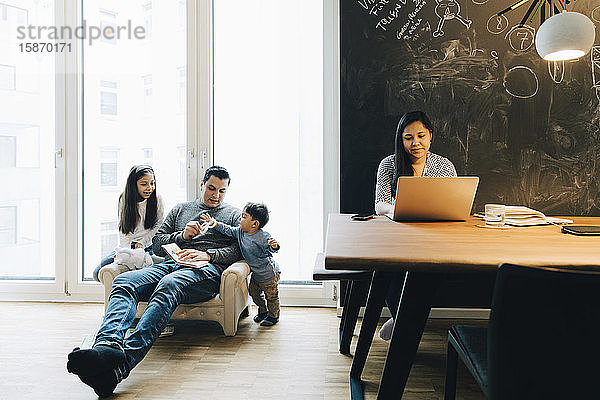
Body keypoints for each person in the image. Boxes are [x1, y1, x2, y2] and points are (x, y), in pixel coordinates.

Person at [67, 166, 242, 398]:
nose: (216, 195)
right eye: (211, 188)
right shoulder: (182, 209)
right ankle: (106, 347)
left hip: (206, 271)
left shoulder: (232, 214)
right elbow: (158, 242)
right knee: (125, 282)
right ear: (202, 184)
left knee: (168, 285)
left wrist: (209, 254)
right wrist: (183, 236)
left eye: (222, 191)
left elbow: (240, 250)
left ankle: (123, 363)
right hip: (171, 264)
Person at [374, 110, 457, 340]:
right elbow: (380, 205)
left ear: (430, 135)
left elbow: (455, 201)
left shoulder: (444, 166)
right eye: (408, 137)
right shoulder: (389, 164)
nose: (415, 143)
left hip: (434, 234)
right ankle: (403, 318)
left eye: (420, 136)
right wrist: (399, 208)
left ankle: (401, 318)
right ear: (401, 139)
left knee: (430, 268)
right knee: (391, 265)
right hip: (398, 234)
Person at [200, 202, 281, 326]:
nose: (239, 219)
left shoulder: (263, 236)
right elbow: (227, 229)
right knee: (254, 294)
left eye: (244, 216)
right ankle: (263, 311)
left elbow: (272, 248)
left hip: (269, 275)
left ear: (255, 224)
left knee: (271, 296)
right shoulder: (240, 232)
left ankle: (273, 315)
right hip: (256, 274)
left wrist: (274, 246)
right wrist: (214, 223)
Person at [92, 165, 164, 282]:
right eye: (144, 184)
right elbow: (124, 229)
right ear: (133, 184)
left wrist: (142, 243)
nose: (150, 188)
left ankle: (154, 260)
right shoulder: (124, 199)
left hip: (147, 246)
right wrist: (126, 252)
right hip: (128, 246)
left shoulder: (157, 199)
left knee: (141, 263)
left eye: (152, 183)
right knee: (97, 273)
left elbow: (158, 227)